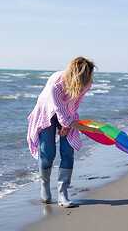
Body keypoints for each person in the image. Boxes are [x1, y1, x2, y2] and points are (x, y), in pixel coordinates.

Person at [27, 57, 103, 208]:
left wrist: (67, 124)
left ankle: (63, 193)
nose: (90, 83)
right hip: (47, 111)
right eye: (88, 79)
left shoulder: (86, 85)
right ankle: (45, 184)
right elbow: (58, 110)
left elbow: (74, 104)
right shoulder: (56, 87)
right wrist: (90, 129)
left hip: (67, 112)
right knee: (48, 152)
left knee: (67, 151)